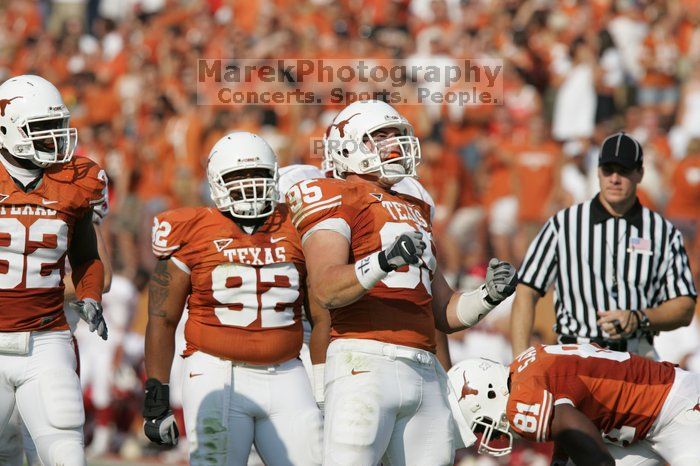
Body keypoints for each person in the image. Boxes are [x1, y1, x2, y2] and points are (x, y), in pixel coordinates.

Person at [286, 99, 518, 465]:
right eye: (381, 136)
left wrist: (488, 295)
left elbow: (443, 312)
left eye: (397, 135)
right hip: (363, 361)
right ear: (348, 146)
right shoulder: (334, 195)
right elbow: (326, 288)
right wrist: (384, 260)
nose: (393, 144)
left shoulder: (415, 206)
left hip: (423, 369)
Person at [143, 131, 322, 466]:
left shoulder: (297, 225)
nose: (250, 185)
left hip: (287, 371)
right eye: (238, 177)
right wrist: (157, 395)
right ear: (216, 182)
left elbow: (321, 315)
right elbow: (162, 318)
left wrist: (327, 384)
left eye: (257, 175)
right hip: (216, 369)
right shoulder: (190, 229)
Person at [512, 132, 697, 359]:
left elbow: (685, 305)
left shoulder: (662, 231)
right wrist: (519, 359)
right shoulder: (564, 224)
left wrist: (640, 317)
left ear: (640, 173)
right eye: (608, 170)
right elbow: (526, 289)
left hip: (637, 355)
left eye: (624, 171)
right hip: (577, 356)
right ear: (598, 172)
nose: (614, 179)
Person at [0, 74, 108, 465]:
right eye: (41, 129)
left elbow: (87, 258)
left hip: (46, 337)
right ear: (5, 130)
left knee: (66, 449)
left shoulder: (76, 180)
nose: (54, 138)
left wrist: (91, 295)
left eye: (57, 127)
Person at [449, 345, 700, 465]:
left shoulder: (518, 404)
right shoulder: (522, 371)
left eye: (481, 427)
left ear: (489, 394)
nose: (485, 434)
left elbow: (584, 440)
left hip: (674, 409)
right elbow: (568, 417)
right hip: (638, 427)